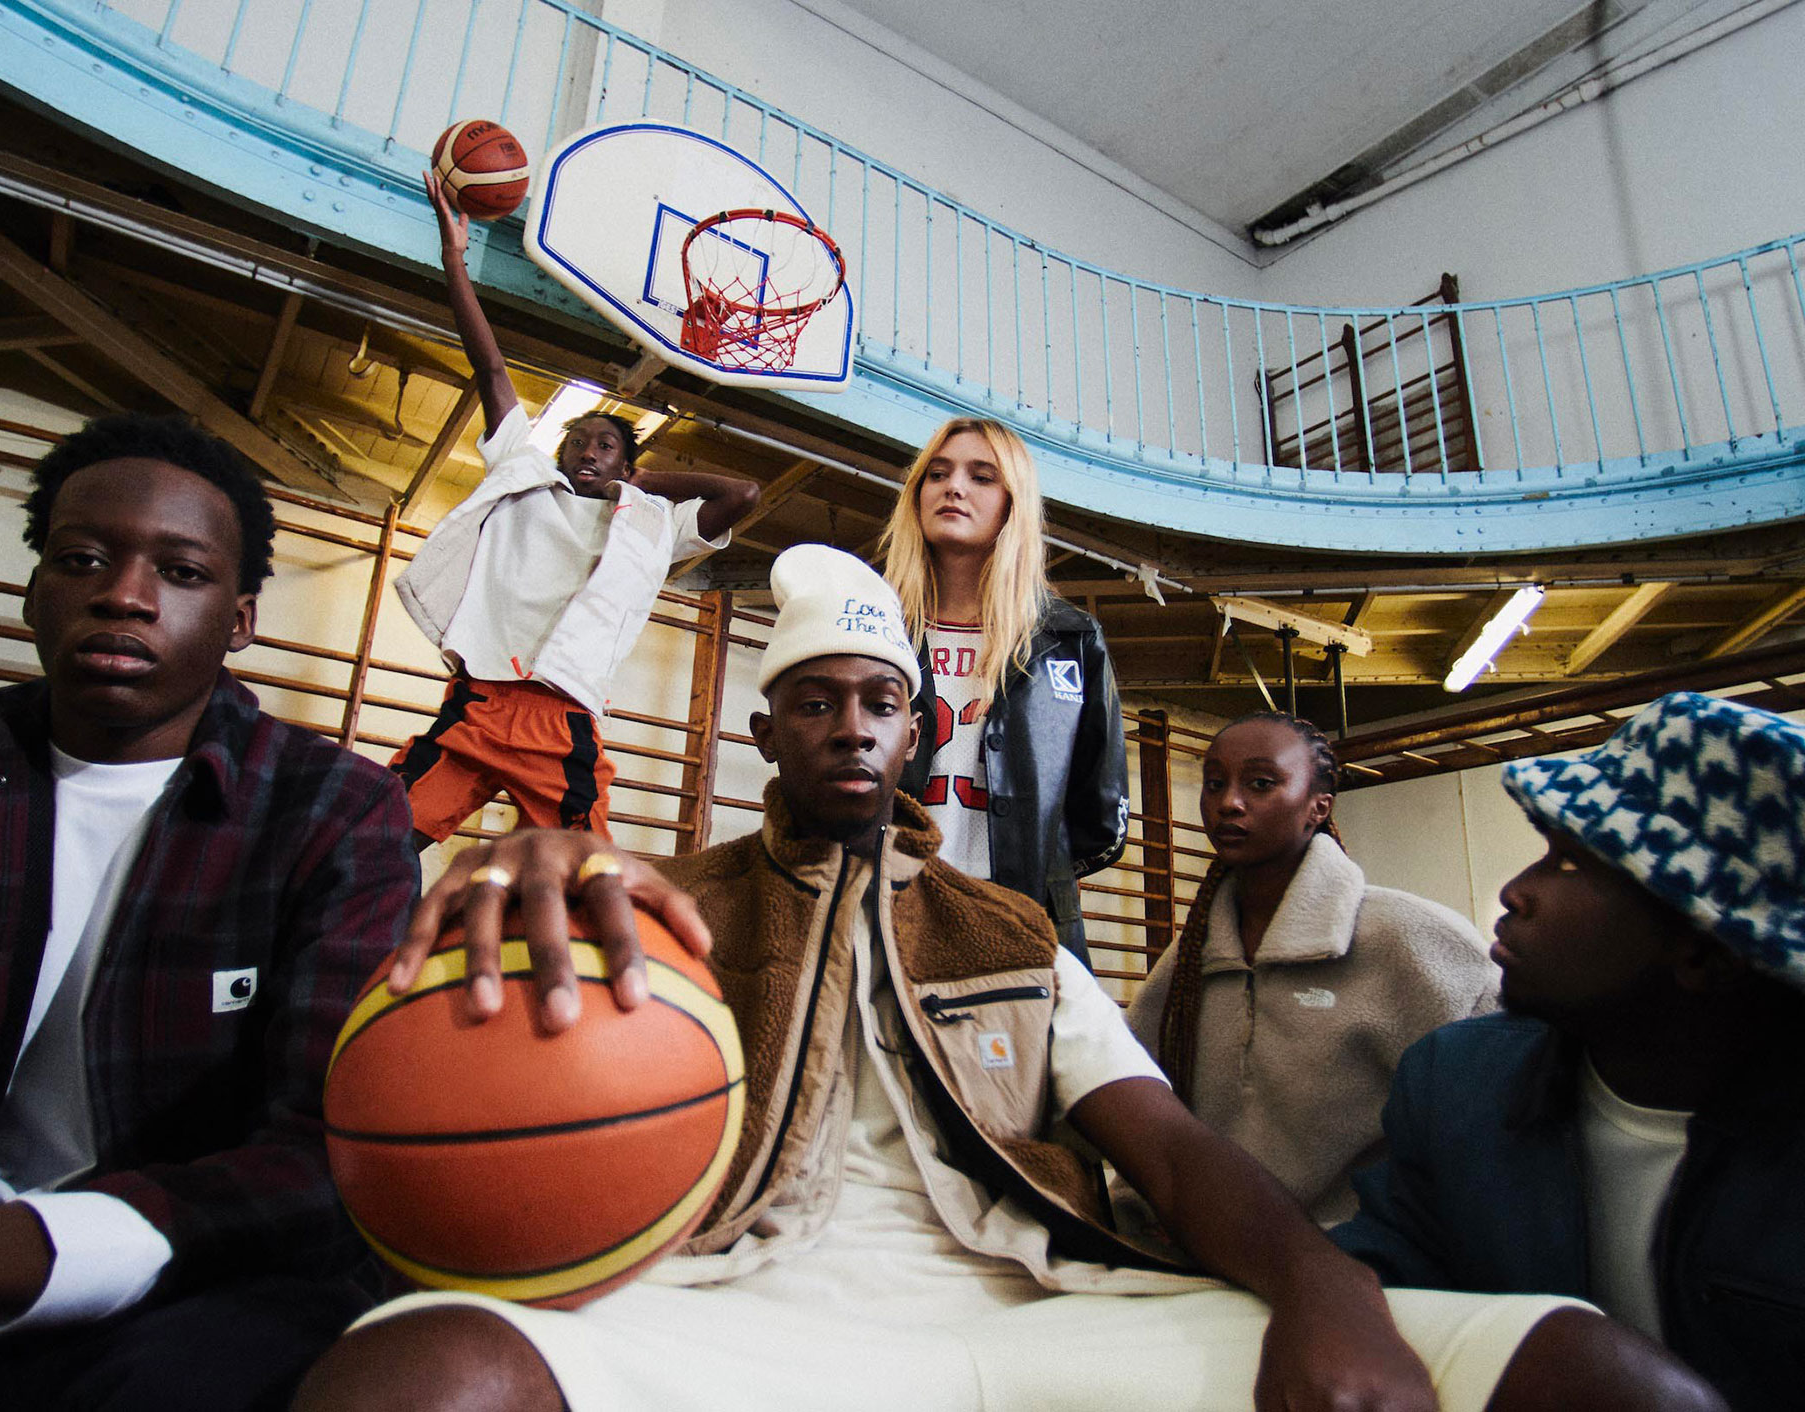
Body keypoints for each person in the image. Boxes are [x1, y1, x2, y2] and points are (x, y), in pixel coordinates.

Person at [294, 545, 1721, 1412]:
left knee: (1585, 1371)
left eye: (881, 702)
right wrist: (523, 862)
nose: (851, 727)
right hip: (735, 1311)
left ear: (916, 733)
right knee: (414, 1371)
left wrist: (1324, 1286)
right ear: (765, 731)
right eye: (814, 702)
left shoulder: (1011, 933)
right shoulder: (668, 906)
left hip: (1045, 1307)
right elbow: (490, 1057)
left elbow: (1169, 1146)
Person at [0, 414, 419, 1410]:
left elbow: (332, 1151)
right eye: (82, 559)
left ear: (240, 620)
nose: (125, 595)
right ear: (34, 590)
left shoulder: (334, 809)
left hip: (172, 1277)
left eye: (181, 572)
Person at [1330, 691, 1805, 1412]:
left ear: (1704, 951)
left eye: (1573, 865)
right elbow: (1381, 1278)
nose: (1516, 891)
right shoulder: (1457, 1086)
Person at [390, 172, 759, 853]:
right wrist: (454, 260)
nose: (588, 450)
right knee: (374, 838)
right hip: (479, 700)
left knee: (579, 883)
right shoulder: (524, 477)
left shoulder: (652, 524)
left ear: (625, 464)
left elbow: (744, 495)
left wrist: (647, 479)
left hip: (562, 721)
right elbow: (491, 371)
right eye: (577, 441)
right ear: (558, 453)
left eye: (605, 445)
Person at [1124, 712, 1497, 1222]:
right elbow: (1130, 1104)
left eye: (1260, 783)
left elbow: (1496, 1116)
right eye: (1214, 784)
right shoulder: (1187, 964)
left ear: (1318, 806)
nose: (1229, 802)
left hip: (1364, 1252)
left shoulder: (1411, 937)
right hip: (1205, 1252)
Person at [881, 417, 1126, 963]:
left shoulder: (1070, 640)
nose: (954, 487)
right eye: (937, 473)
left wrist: (1033, 872)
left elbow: (1100, 815)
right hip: (888, 913)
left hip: (1016, 925)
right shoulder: (872, 626)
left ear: (1014, 502)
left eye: (981, 476)